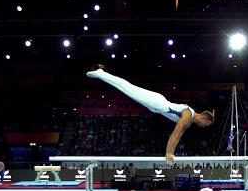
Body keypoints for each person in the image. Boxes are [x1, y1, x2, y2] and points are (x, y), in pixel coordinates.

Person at [86, 65, 214, 162]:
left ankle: (102, 74)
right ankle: (101, 73)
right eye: (207, 124)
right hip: (156, 102)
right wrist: (169, 152)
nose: (204, 127)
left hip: (157, 104)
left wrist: (171, 152)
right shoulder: (187, 115)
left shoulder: (189, 120)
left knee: (127, 87)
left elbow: (179, 136)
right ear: (205, 118)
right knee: (127, 87)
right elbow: (176, 133)